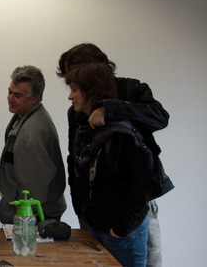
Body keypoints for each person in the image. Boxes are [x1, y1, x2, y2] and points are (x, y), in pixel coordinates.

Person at [56, 43, 171, 267]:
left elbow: (160, 117)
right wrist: (79, 205)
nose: (71, 87)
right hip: (94, 208)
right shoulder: (76, 112)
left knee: (149, 259)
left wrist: (111, 109)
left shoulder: (130, 90)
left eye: (75, 76)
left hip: (135, 204)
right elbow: (75, 158)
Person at [0, 65, 66, 224]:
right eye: (10, 92)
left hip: (32, 218)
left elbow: (34, 190)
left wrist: (23, 222)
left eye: (18, 95)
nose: (10, 98)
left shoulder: (31, 133)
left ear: (35, 97)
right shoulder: (28, 115)